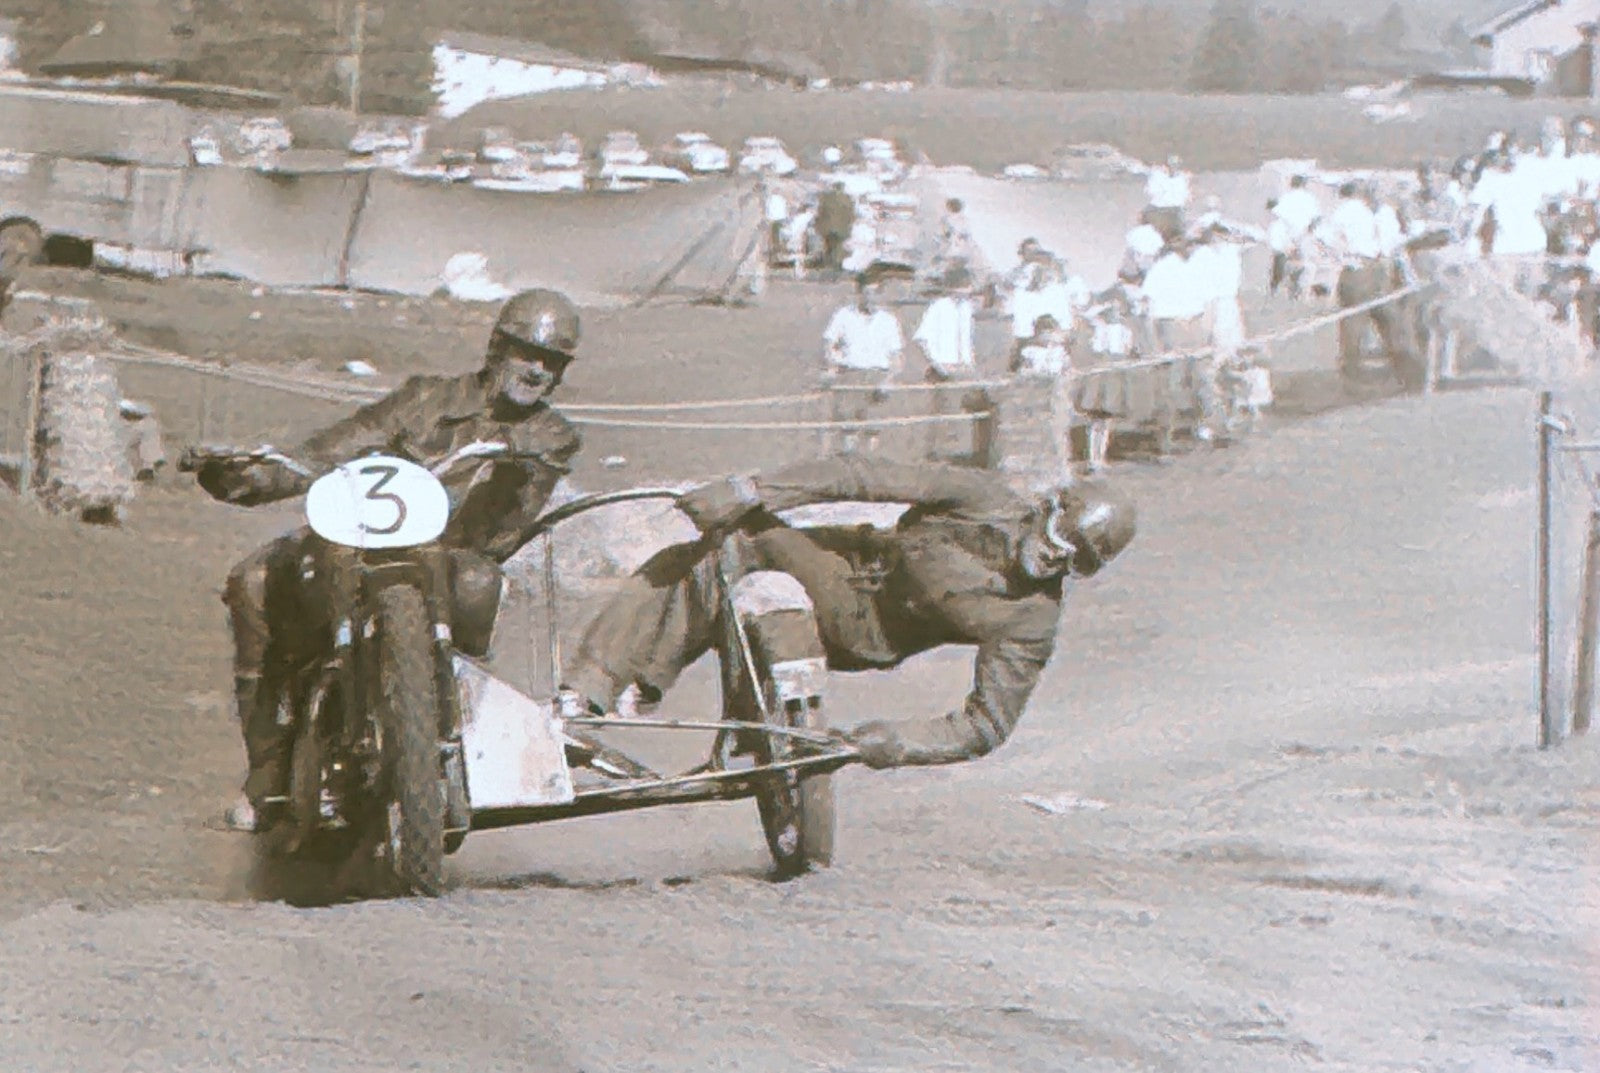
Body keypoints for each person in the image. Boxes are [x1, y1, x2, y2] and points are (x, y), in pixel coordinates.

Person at [196, 290, 585, 831]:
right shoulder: (424, 398)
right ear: (498, 348)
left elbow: (506, 526)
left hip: (452, 556)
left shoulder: (550, 436)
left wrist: (518, 470)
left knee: (478, 583)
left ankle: (452, 739)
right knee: (254, 581)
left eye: (551, 362)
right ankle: (267, 767)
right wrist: (249, 476)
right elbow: (334, 449)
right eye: (527, 353)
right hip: (361, 538)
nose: (537, 370)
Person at [558, 456, 1137, 769]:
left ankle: (637, 688)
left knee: (730, 549)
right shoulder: (981, 496)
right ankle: (591, 690)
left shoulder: (1033, 621)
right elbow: (861, 474)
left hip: (867, 632)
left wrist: (886, 744)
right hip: (844, 559)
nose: (1056, 555)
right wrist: (753, 488)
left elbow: (986, 726)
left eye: (1077, 559)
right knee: (723, 537)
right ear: (1047, 508)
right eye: (1060, 534)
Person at [1318, 181, 1423, 390]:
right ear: (1364, 193)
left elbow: (1393, 241)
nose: (1377, 196)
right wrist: (1345, 257)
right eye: (1373, 191)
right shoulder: (1348, 210)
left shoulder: (1386, 213)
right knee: (1354, 329)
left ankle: (1408, 377)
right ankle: (1351, 380)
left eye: (1382, 192)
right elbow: (1324, 235)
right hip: (1358, 272)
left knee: (1393, 322)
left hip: (1381, 270)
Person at [823, 275, 904, 453]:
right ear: (859, 294)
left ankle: (870, 460)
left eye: (875, 293)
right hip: (852, 373)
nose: (871, 298)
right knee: (848, 425)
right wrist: (835, 364)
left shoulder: (888, 320)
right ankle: (849, 459)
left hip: (877, 375)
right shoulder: (844, 315)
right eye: (867, 293)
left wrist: (888, 381)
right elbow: (829, 344)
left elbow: (896, 356)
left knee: (873, 426)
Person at [913, 265, 983, 462]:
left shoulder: (967, 309)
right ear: (952, 287)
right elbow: (923, 339)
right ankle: (938, 454)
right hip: (943, 367)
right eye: (962, 286)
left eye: (968, 287)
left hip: (963, 368)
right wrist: (939, 365)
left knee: (963, 412)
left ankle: (958, 453)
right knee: (944, 411)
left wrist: (969, 363)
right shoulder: (938, 307)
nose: (966, 291)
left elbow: (967, 339)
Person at [1143, 155, 1191, 241]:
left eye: (1175, 166)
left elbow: (1185, 195)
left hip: (1174, 210)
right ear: (1167, 166)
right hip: (1159, 208)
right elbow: (1150, 191)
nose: (1173, 169)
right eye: (1171, 166)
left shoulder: (1182, 178)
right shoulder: (1158, 175)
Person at [815, 181, 857, 274]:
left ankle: (828, 264)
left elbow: (820, 212)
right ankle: (836, 265)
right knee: (838, 247)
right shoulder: (847, 199)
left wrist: (819, 226)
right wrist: (849, 226)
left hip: (827, 227)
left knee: (828, 246)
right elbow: (851, 215)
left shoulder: (826, 198)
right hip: (841, 228)